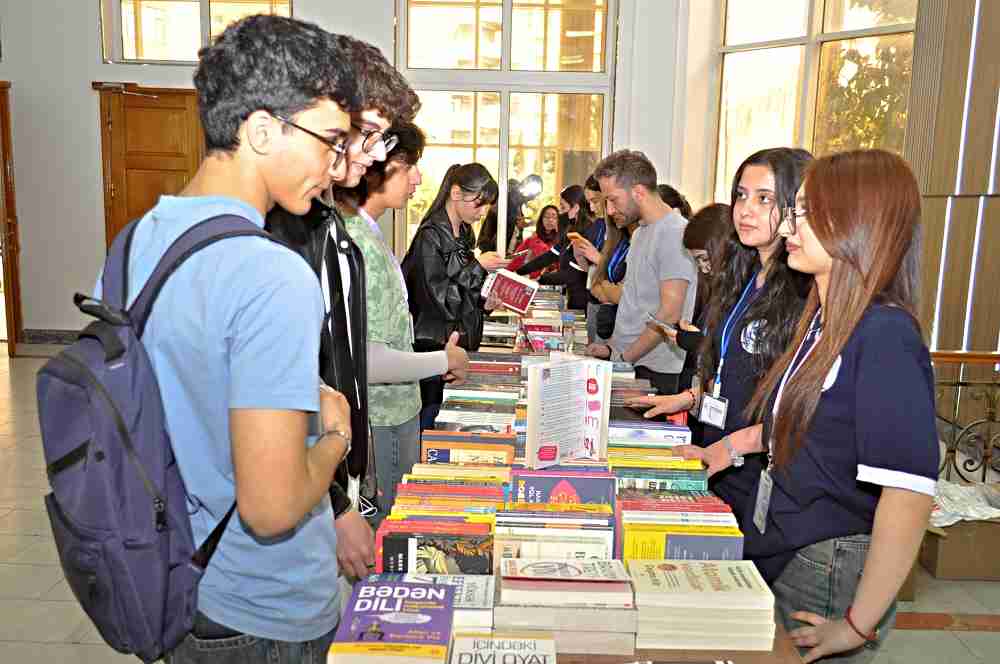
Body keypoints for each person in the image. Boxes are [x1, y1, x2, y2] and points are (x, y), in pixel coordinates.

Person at [103, 16, 355, 663]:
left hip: (172, 579)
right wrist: (335, 439)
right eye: (328, 140)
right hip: (262, 608)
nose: (333, 167)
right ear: (263, 129)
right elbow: (270, 508)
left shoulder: (134, 244)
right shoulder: (270, 273)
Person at [682, 150, 938, 663]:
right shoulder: (822, 320)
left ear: (856, 224)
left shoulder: (883, 332)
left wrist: (857, 625)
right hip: (791, 542)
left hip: (831, 556)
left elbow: (908, 495)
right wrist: (727, 449)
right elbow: (799, 423)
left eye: (807, 212)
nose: (792, 225)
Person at [265, 34, 421, 580]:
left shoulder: (328, 226)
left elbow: (338, 361)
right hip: (301, 500)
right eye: (367, 136)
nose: (374, 155)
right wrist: (336, 505)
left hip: (335, 471)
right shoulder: (282, 234)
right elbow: (281, 393)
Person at [628, 148, 811, 522]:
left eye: (764, 199)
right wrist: (691, 398)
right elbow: (736, 368)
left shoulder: (802, 291)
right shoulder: (742, 278)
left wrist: (736, 444)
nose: (746, 210)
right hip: (717, 452)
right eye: (741, 196)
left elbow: (795, 401)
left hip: (757, 464)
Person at [340, 121, 471, 524]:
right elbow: (369, 360)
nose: (417, 178)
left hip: (396, 413)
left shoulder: (369, 233)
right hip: (381, 419)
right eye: (408, 165)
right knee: (389, 535)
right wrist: (443, 361)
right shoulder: (357, 241)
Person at [584, 150, 698, 395]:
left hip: (653, 369)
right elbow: (635, 303)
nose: (610, 210)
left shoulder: (674, 234)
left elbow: (669, 313)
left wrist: (623, 359)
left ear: (638, 192)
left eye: (613, 200)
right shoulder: (640, 233)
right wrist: (611, 349)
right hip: (630, 362)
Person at [401, 163, 505, 429]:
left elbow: (463, 290)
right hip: (433, 349)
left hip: (457, 348)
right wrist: (478, 267)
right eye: (478, 204)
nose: (482, 213)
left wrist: (484, 303)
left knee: (451, 425)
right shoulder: (430, 237)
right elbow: (439, 299)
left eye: (486, 207)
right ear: (456, 193)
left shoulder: (465, 235)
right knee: (431, 427)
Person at [514, 184, 594, 310]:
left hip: (583, 299)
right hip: (571, 295)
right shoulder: (571, 230)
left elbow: (573, 273)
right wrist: (519, 272)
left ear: (576, 207)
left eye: (563, 207)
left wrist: (539, 280)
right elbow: (549, 256)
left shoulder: (588, 232)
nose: (560, 212)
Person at [506, 204, 560, 277]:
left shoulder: (561, 240)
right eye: (546, 216)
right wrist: (505, 274)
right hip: (531, 281)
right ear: (541, 219)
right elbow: (516, 261)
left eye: (554, 217)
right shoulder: (531, 239)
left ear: (558, 220)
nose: (550, 220)